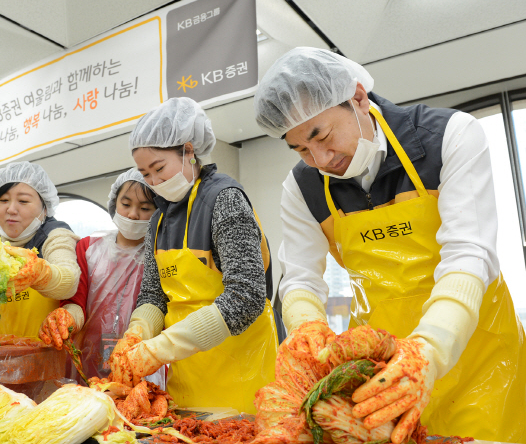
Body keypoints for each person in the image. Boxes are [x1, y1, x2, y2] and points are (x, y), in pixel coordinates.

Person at [253, 47, 526, 443]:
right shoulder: (301, 187)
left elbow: (469, 254)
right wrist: (305, 324)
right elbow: (299, 278)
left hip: (478, 359)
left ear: (359, 97)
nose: (320, 158)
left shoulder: (449, 136)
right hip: (380, 371)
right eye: (300, 149)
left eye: (323, 136)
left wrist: (428, 351)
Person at [108, 97, 278, 414]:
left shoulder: (224, 199)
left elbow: (247, 296)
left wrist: (158, 349)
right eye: (146, 174)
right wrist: (137, 334)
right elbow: (153, 294)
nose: (155, 182)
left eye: (159, 168)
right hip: (186, 380)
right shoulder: (157, 220)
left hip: (241, 376)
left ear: (188, 151)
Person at [38, 168, 160, 382]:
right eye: (126, 204)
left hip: (140, 361)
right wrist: (67, 318)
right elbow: (75, 298)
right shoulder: (88, 247)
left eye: (145, 208)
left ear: (158, 211)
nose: (133, 214)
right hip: (86, 356)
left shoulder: (160, 254)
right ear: (114, 203)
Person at [0, 161, 81, 339]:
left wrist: (38, 273)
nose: (11, 209)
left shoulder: (55, 235)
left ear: (45, 208)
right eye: (3, 200)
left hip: (44, 351)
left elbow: (69, 281)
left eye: (23, 201)